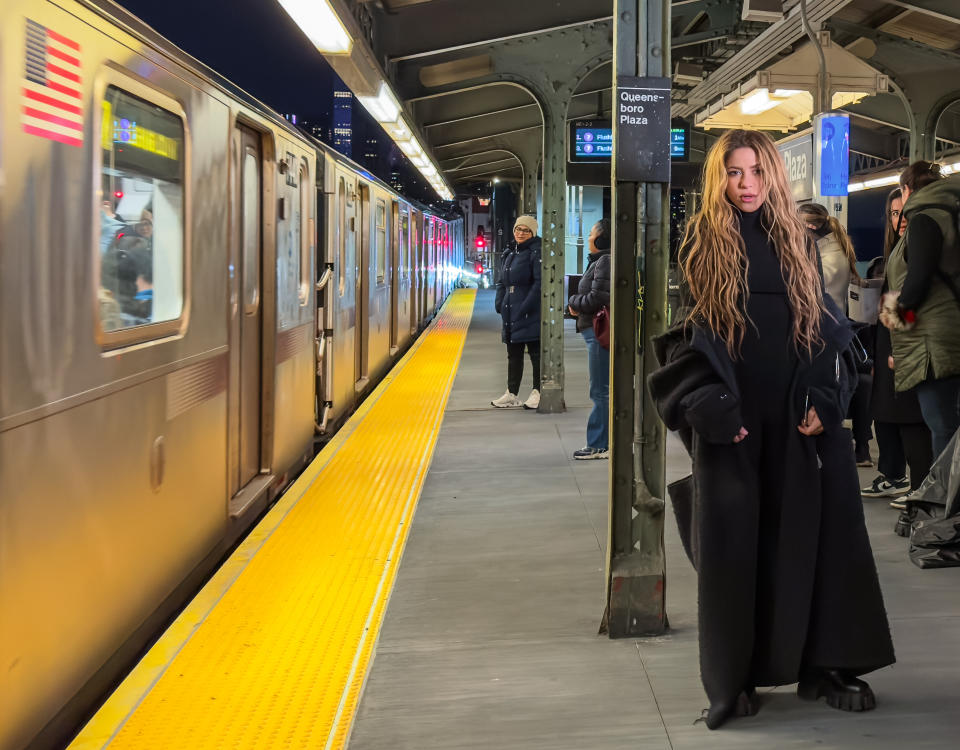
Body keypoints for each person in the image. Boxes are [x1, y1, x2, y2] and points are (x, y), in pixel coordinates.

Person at [648, 129, 894, 730]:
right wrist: (712, 407)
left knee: (825, 535)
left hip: (801, 415)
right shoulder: (701, 247)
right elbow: (690, 339)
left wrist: (823, 395)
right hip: (735, 419)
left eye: (757, 171)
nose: (747, 183)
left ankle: (828, 663)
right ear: (719, 180)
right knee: (737, 543)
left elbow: (821, 325)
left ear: (775, 176)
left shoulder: (796, 241)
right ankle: (736, 677)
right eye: (734, 173)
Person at [881, 161, 960, 461]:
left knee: (942, 425)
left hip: (934, 343)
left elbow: (915, 285)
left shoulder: (926, 219)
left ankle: (947, 501)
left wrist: (894, 322)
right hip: (950, 333)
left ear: (907, 189)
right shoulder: (952, 215)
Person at [862, 188, 932, 501]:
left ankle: (920, 488)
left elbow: (911, 299)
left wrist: (897, 344)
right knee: (887, 412)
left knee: (911, 419)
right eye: (893, 213)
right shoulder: (894, 253)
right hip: (891, 341)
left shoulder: (914, 253)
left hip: (905, 345)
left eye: (904, 210)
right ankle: (899, 479)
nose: (899, 219)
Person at [799, 202, 873, 466]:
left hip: (826, 333)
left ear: (808, 226)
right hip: (832, 330)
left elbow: (814, 294)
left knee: (826, 392)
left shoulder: (826, 256)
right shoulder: (832, 249)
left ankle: (836, 449)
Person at [567, 219, 611, 459]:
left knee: (600, 390)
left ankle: (598, 444)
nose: (589, 237)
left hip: (598, 333)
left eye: (592, 233)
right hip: (594, 332)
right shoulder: (599, 261)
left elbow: (597, 298)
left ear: (602, 239)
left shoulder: (605, 260)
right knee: (601, 389)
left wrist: (573, 303)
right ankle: (601, 441)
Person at [491, 215, 542, 409]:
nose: (520, 233)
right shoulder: (510, 252)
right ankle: (512, 393)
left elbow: (539, 283)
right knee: (513, 353)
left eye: (526, 230)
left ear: (533, 233)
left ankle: (538, 392)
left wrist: (526, 306)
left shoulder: (535, 251)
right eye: (518, 229)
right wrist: (500, 302)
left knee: (535, 353)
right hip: (510, 309)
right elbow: (502, 281)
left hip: (528, 311)